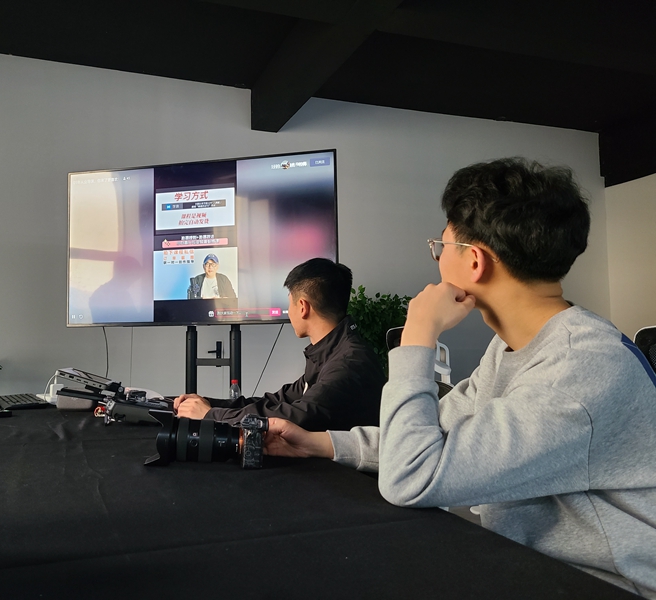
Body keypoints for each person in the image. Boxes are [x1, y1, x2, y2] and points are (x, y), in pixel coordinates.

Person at [263, 158, 656, 597]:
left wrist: (417, 338)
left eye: (441, 246)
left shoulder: (578, 370)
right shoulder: (515, 345)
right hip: (533, 568)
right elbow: (436, 430)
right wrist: (319, 443)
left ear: (474, 261)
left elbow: (411, 476)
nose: (436, 258)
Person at [174, 257, 386, 431]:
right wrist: (208, 404)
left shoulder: (348, 364)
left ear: (302, 307)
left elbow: (293, 417)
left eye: (289, 302)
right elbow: (276, 402)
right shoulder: (330, 351)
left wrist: (211, 415)